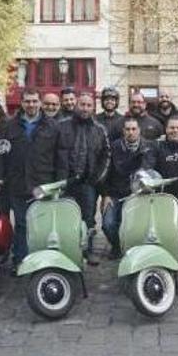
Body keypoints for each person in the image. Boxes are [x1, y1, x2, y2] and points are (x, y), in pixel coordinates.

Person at [0, 88, 69, 267]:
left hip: (43, 183)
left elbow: (61, 156)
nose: (31, 105)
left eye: (34, 101)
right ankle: (21, 260)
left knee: (43, 224)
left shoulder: (53, 126)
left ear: (40, 103)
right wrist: (0, 179)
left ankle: (43, 260)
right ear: (22, 103)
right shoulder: (9, 126)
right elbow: (0, 156)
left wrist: (60, 182)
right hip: (18, 183)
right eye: (27, 101)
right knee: (21, 224)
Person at [58, 93, 110, 261]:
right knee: (65, 216)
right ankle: (66, 250)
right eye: (82, 104)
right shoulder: (62, 126)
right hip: (66, 181)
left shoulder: (99, 129)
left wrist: (97, 178)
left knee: (88, 218)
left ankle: (87, 250)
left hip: (88, 182)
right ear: (76, 105)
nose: (85, 108)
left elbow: (106, 155)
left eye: (89, 105)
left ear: (93, 107)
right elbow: (55, 153)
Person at [101, 118, 151, 259]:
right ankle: (117, 247)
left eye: (134, 129)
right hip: (115, 194)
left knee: (139, 225)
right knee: (108, 224)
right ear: (123, 131)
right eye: (127, 129)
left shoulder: (148, 146)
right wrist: (105, 195)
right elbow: (105, 172)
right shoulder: (114, 147)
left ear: (139, 130)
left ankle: (134, 248)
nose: (131, 132)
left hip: (139, 195)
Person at [145, 116, 178, 234]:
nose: (175, 130)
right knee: (164, 227)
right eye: (172, 128)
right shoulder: (157, 146)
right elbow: (149, 167)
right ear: (166, 129)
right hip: (162, 194)